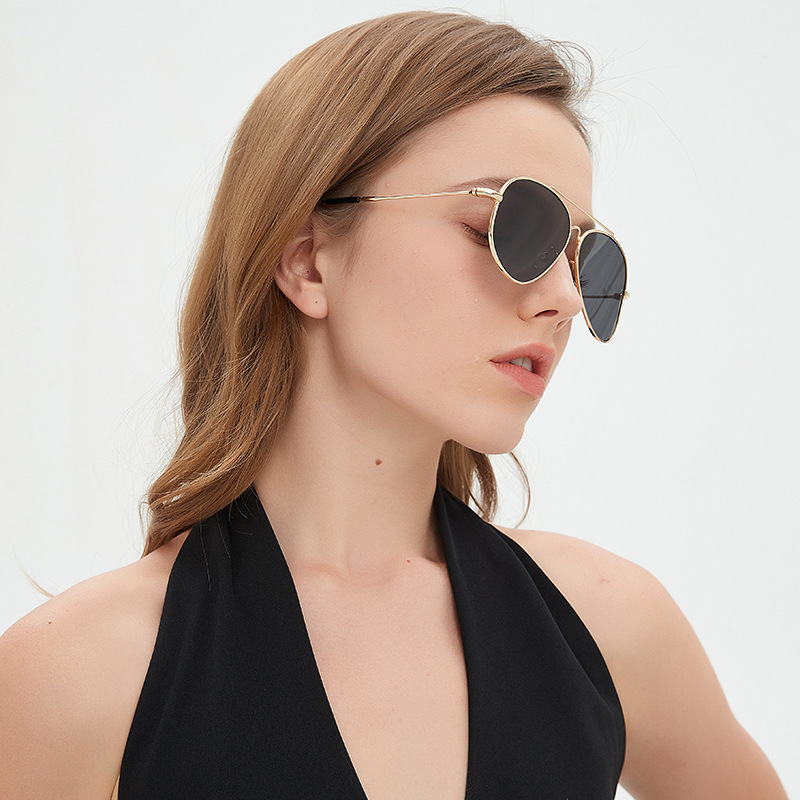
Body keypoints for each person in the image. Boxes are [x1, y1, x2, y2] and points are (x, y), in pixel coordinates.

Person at [0, 10, 787, 799]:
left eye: (586, 258)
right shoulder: (83, 675)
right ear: (307, 262)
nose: (563, 299)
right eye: (508, 228)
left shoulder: (610, 629)